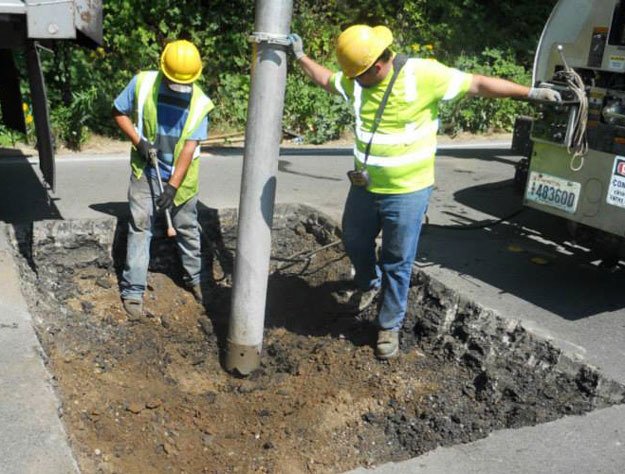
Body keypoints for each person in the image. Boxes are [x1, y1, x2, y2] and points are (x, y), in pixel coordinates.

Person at [287, 25, 560, 359]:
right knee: (355, 241)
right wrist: (300, 56)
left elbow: (476, 83)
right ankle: (369, 285)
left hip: (407, 193)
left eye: (358, 75)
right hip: (365, 189)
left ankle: (389, 326)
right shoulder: (356, 82)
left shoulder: (423, 75)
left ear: (376, 66)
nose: (352, 81)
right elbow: (328, 80)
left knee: (396, 261)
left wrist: (528, 93)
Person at [112, 39, 214, 320]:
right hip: (146, 171)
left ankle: (197, 280)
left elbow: (190, 147)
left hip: (181, 177)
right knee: (140, 225)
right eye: (173, 80)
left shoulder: (200, 103)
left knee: (187, 228)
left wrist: (172, 185)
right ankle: (133, 291)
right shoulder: (143, 84)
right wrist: (139, 141)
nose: (180, 86)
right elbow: (118, 111)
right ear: (163, 70)